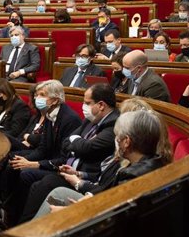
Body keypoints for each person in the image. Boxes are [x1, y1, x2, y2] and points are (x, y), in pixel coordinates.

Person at [32, 111, 165, 220]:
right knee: (59, 192)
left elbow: (114, 217)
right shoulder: (155, 162)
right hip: (101, 205)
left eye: (118, 136)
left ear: (126, 142)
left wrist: (70, 213)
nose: (116, 141)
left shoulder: (131, 176)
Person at [18, 83, 120, 223]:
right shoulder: (91, 119)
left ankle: (23, 227)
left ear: (101, 105)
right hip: (71, 170)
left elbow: (87, 148)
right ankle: (18, 221)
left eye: (87, 103)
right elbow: (66, 142)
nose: (83, 107)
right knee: (28, 176)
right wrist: (78, 144)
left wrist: (79, 172)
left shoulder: (112, 124)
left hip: (86, 178)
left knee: (43, 182)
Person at [0, 80, 81, 224]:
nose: (37, 98)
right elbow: (43, 148)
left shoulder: (70, 119)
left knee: (25, 173)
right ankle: (7, 210)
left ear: (55, 100)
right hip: (48, 159)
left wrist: (34, 165)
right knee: (15, 162)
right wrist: (27, 161)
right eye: (37, 95)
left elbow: (64, 158)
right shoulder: (50, 114)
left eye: (42, 95)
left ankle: (20, 219)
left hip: (60, 167)